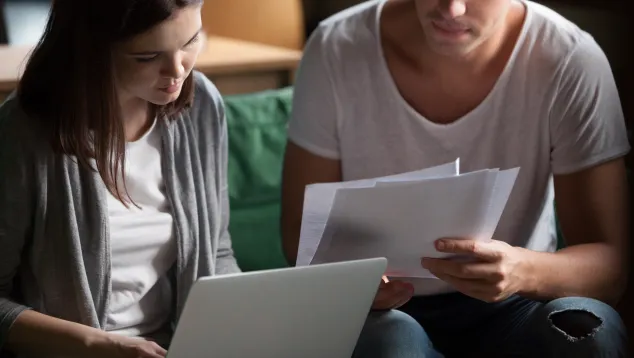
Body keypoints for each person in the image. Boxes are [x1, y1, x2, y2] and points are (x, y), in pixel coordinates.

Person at [281, 0, 630, 356]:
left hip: (518, 302)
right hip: (384, 310)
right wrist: (354, 284)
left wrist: (520, 271)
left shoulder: (568, 57)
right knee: (394, 343)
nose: (452, 9)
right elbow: (299, 234)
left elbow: (611, 268)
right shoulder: (336, 46)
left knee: (588, 331)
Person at [0, 1, 240, 357]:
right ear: (92, 50)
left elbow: (217, 251)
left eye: (191, 41)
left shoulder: (201, 105)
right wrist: (97, 344)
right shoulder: (23, 132)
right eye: (147, 56)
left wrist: (252, 317)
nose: (177, 71)